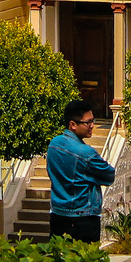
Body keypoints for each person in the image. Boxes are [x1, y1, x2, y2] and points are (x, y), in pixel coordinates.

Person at [45, 99, 116, 242]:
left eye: (92, 121)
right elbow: (109, 175)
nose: (92, 126)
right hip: (83, 218)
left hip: (58, 214)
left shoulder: (54, 144)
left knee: (58, 260)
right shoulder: (86, 153)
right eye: (87, 122)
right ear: (73, 125)